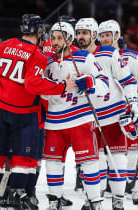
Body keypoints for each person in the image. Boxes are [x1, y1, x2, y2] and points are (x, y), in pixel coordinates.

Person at [0, 14, 76, 209]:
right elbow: (33, 84)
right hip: (23, 111)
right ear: (38, 31)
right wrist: (61, 86)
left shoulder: (4, 45)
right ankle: (16, 195)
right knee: (23, 157)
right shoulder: (38, 54)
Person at [42, 21, 109, 210]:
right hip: (54, 122)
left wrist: (90, 82)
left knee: (88, 163)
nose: (54, 42)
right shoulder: (47, 62)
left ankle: (95, 202)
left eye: (59, 38)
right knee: (53, 162)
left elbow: (104, 83)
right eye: (53, 38)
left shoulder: (84, 57)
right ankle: (54, 201)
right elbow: (41, 91)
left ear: (69, 39)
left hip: (80, 119)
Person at [76, 17, 138, 210]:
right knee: (92, 162)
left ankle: (118, 200)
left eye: (85, 33)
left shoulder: (110, 53)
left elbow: (127, 80)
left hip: (114, 113)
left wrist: (134, 103)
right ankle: (94, 198)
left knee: (118, 159)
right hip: (88, 117)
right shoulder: (75, 56)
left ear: (94, 35)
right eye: (78, 33)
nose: (80, 36)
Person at [98, 19, 138, 206]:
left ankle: (137, 190)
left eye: (108, 35)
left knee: (130, 155)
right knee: (99, 156)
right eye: (102, 35)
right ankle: (101, 190)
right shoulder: (96, 56)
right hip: (102, 114)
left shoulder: (129, 56)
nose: (105, 39)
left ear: (116, 36)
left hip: (128, 112)